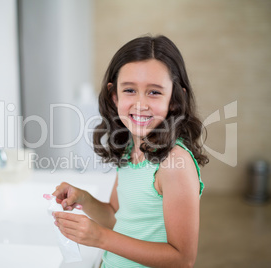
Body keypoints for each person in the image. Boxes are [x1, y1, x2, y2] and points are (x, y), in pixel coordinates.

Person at [52, 35, 209, 268]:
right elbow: (116, 217)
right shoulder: (131, 148)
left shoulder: (174, 163)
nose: (140, 104)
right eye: (129, 90)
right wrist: (83, 198)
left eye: (154, 92)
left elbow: (182, 259)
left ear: (175, 99)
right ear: (114, 95)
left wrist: (100, 238)